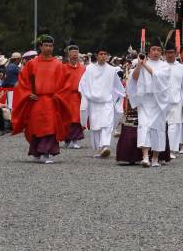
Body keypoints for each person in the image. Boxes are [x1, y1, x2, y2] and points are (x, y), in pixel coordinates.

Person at [11, 35, 73, 164]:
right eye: (46, 45)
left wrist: (58, 95)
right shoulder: (32, 64)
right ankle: (36, 152)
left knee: (50, 127)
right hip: (36, 100)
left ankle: (46, 153)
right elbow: (22, 82)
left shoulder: (58, 64)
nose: (48, 48)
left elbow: (65, 83)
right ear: (40, 47)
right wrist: (28, 94)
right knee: (35, 127)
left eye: (50, 46)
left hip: (51, 100)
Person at [127, 44, 170, 167]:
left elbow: (158, 77)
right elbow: (134, 79)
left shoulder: (165, 66)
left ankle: (155, 158)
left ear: (161, 52)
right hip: (145, 100)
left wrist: (145, 65)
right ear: (149, 51)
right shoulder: (142, 62)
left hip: (158, 101)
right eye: (153, 50)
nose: (156, 52)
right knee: (144, 126)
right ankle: (145, 156)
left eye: (158, 50)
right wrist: (140, 65)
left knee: (157, 128)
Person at [79, 47, 125, 158]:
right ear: (96, 55)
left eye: (105, 54)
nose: (103, 56)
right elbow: (83, 84)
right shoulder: (89, 69)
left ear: (107, 56)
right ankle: (99, 149)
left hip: (106, 102)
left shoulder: (112, 70)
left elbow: (117, 86)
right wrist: (86, 97)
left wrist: (121, 95)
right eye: (101, 54)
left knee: (106, 125)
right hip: (93, 102)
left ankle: (105, 146)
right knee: (96, 127)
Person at [160, 42, 183, 157]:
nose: (170, 55)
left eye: (172, 52)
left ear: (176, 53)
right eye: (168, 53)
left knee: (174, 127)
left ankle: (171, 150)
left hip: (176, 102)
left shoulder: (182, 69)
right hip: (161, 102)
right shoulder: (160, 67)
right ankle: (161, 149)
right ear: (164, 54)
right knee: (161, 126)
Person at [62, 45, 86, 149]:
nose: (74, 55)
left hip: (78, 96)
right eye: (72, 52)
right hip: (66, 96)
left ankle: (75, 139)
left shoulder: (83, 68)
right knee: (67, 118)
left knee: (77, 118)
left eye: (76, 52)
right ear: (68, 54)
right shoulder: (63, 67)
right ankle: (67, 139)